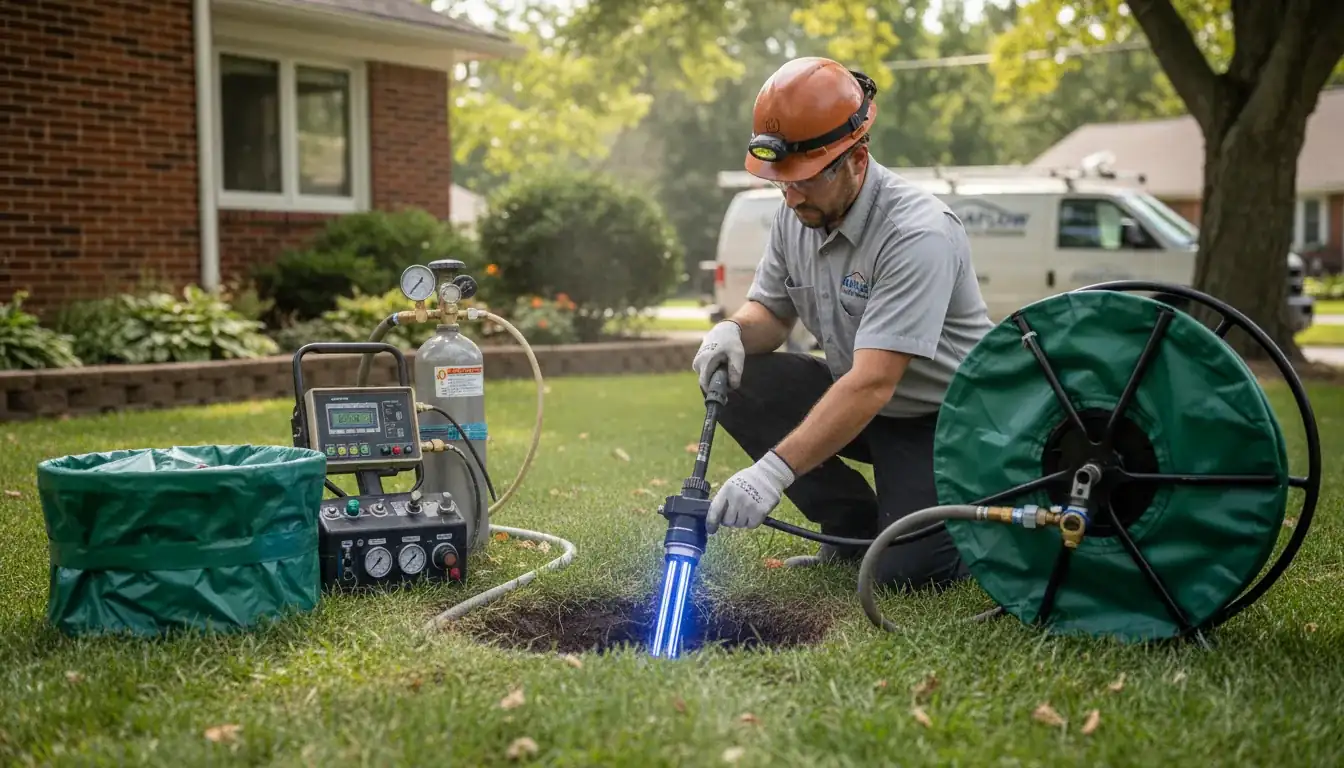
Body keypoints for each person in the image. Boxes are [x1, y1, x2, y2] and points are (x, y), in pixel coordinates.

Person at [692, 56, 996, 591]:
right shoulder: (797, 211)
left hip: (942, 422)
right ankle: (850, 525)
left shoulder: (915, 232)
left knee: (906, 575)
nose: (790, 196)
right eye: (780, 182)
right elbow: (771, 311)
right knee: (741, 380)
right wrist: (734, 330)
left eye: (804, 180)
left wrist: (772, 472)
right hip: (860, 402)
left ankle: (955, 523)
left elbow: (875, 380)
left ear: (857, 158)